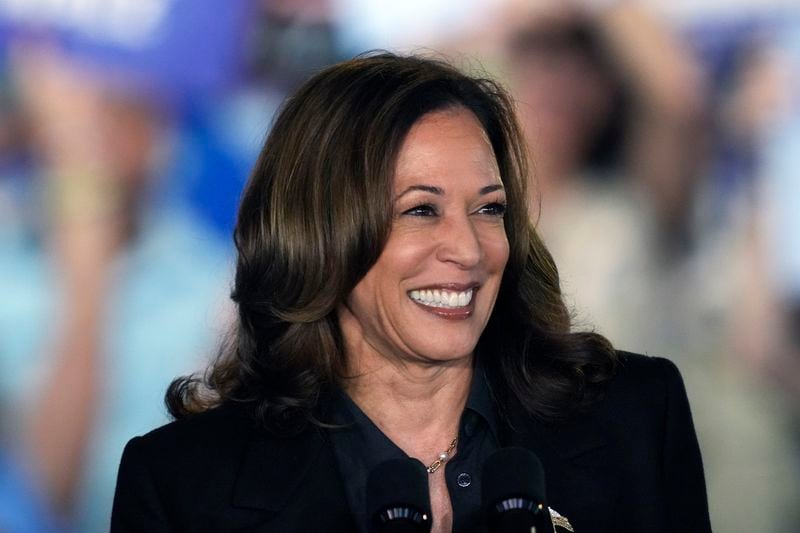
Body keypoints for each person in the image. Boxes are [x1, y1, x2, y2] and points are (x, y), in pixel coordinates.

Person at [110, 52, 711, 532]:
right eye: (422, 210)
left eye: (489, 208)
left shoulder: (635, 419)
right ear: (319, 231)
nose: (470, 251)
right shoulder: (181, 485)